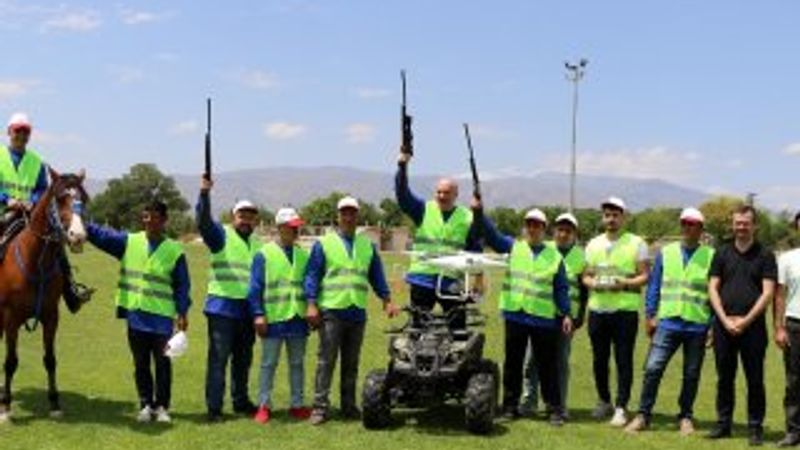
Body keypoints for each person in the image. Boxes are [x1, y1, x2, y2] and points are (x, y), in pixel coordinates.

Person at [86, 200, 190, 423]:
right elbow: (102, 237)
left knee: (163, 364)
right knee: (140, 364)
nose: (149, 221)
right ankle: (145, 404)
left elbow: (183, 285)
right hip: (136, 316)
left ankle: (162, 407)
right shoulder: (129, 242)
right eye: (145, 216)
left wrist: (182, 313)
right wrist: (79, 220)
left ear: (164, 220)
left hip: (162, 317)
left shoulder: (174, 250)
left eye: (154, 217)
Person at [474, 199, 572, 426]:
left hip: (543, 318)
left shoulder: (555, 256)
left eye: (537, 225)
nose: (532, 228)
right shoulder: (513, 246)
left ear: (544, 229)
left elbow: (561, 288)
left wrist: (566, 313)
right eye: (529, 224)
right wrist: (479, 212)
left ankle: (554, 409)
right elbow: (491, 234)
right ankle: (510, 407)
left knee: (547, 366)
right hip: (515, 314)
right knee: (513, 364)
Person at [305, 196, 399, 425]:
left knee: (351, 363)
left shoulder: (367, 246)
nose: (348, 217)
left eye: (352, 213)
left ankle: (348, 406)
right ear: (338, 216)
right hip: (331, 311)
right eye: (344, 213)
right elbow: (312, 275)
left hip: (356, 312)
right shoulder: (323, 244)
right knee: (326, 361)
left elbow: (376, 276)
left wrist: (386, 299)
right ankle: (320, 407)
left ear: (357, 216)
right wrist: (311, 304)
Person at [624, 208, 713, 436]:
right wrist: (650, 314)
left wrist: (712, 325)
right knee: (653, 369)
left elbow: (715, 293)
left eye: (692, 224)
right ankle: (643, 415)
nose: (687, 228)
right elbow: (654, 285)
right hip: (667, 322)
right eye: (684, 223)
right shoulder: (667, 252)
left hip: (697, 323)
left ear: (701, 229)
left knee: (691, 374)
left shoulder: (711, 256)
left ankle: (685, 417)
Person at [0, 112, 90, 312]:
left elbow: (42, 189)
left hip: (29, 214)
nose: (21, 135)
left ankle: (71, 291)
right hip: (2, 212)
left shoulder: (37, 161)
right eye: (17, 131)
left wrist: (31, 202)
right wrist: (7, 199)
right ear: (9, 132)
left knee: (56, 246)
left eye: (26, 132)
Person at [707, 205, 776, 446]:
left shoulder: (765, 255)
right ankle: (723, 424)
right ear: (732, 224)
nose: (741, 227)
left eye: (746, 223)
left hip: (753, 328)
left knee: (755, 380)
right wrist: (724, 320)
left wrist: (745, 321)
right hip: (723, 326)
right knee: (724, 378)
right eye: (738, 222)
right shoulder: (722, 253)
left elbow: (767, 293)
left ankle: (755, 428)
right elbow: (712, 288)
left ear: (754, 225)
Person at [197, 177, 260, 421]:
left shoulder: (257, 244)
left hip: (247, 311)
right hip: (222, 308)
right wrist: (204, 194)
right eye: (242, 215)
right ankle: (214, 409)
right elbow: (203, 222)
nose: (246, 220)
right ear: (234, 217)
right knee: (218, 361)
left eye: (250, 216)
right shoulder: (220, 235)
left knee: (243, 361)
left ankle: (240, 401)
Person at [395, 150, 481, 330]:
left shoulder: (467, 217)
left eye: (446, 192)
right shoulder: (422, 210)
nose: (442, 196)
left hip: (451, 280)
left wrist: (478, 278)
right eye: (439, 192)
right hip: (422, 279)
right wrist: (402, 166)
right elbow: (402, 195)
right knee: (417, 329)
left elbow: (475, 249)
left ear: (456, 194)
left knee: (458, 330)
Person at [582, 197, 649, 427]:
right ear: (603, 218)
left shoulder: (636, 243)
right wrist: (594, 284)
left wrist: (625, 283)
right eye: (607, 215)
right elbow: (586, 276)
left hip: (624, 312)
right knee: (599, 360)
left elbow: (645, 276)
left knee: (623, 360)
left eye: (615, 215)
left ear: (623, 217)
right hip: (598, 310)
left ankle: (621, 406)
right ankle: (604, 401)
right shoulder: (593, 244)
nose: (611, 219)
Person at [520, 212, 588, 419]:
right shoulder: (544, 250)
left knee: (560, 362)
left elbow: (584, 291)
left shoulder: (581, 256)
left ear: (575, 234)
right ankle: (529, 402)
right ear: (553, 231)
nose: (563, 234)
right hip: (541, 315)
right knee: (532, 361)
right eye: (560, 230)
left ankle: (558, 405)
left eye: (568, 231)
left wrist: (579, 317)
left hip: (565, 319)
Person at [248, 207, 312, 424]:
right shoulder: (263, 254)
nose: (296, 231)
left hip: (298, 318)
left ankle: (297, 405)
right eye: (292, 227)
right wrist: (258, 314)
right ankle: (264, 405)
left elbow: (309, 286)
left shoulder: (303, 255)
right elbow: (255, 288)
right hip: (273, 318)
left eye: (297, 227)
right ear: (281, 228)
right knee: (268, 364)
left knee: (297, 364)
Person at [775, 214, 800, 447]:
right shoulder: (787, 258)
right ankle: (793, 431)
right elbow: (780, 296)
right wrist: (779, 327)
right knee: (794, 381)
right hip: (795, 325)